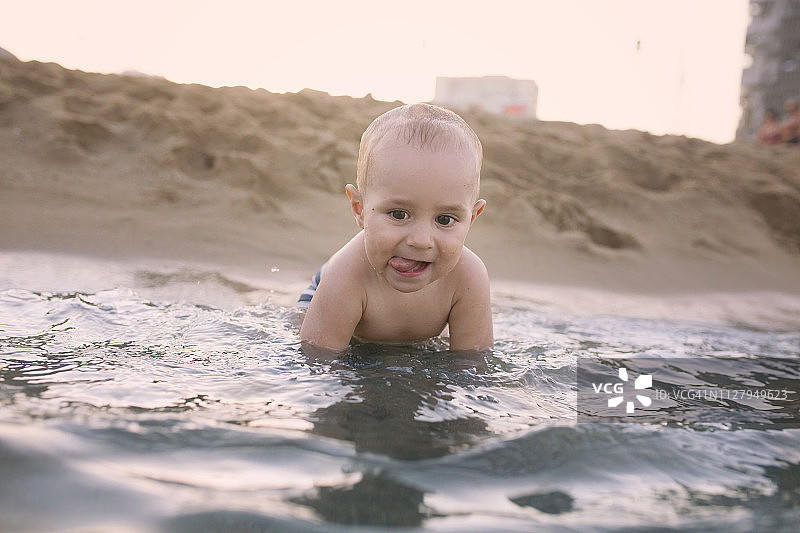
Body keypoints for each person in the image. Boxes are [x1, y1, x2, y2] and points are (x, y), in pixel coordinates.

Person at [298, 103, 492, 352]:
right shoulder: (347, 273)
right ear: (359, 208)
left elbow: (473, 366)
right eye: (399, 214)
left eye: (444, 219)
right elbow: (317, 364)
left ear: (472, 218)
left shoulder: (469, 277)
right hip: (321, 300)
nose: (422, 240)